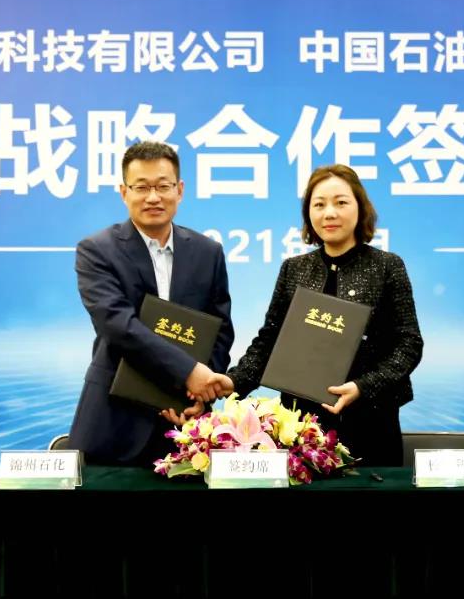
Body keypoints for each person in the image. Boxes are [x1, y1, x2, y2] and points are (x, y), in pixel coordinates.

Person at [218, 164, 423, 466]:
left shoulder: (387, 266)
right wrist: (234, 381)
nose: (329, 213)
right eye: (319, 204)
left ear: (360, 208)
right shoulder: (293, 269)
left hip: (371, 420)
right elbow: (270, 340)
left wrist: (363, 387)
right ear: (308, 213)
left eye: (341, 202)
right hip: (301, 424)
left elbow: (409, 344)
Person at [68, 141, 234, 466]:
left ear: (180, 190)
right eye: (141, 187)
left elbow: (220, 330)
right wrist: (189, 374)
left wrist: (200, 395)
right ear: (124, 192)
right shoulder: (96, 250)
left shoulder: (208, 252)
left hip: (187, 425)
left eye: (163, 186)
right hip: (114, 422)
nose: (153, 197)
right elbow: (119, 326)